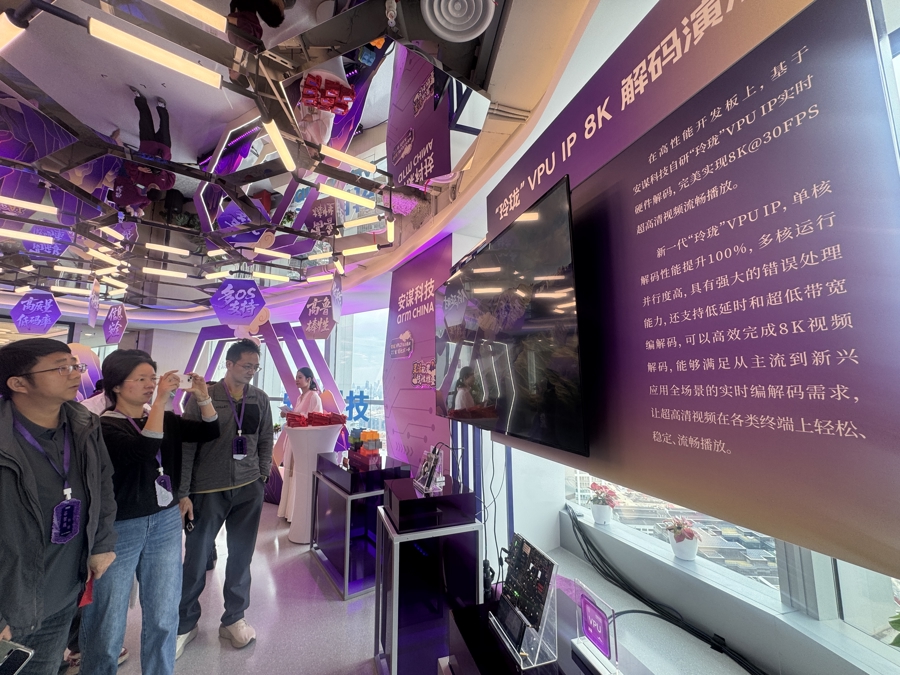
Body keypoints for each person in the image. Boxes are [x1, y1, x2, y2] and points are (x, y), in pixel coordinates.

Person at [79, 351, 220, 675]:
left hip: (165, 522)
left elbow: (210, 431)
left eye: (152, 378)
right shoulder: (102, 426)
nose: (149, 384)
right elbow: (143, 450)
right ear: (116, 386)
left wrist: (203, 397)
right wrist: (159, 402)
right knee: (107, 622)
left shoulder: (164, 419)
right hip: (119, 528)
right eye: (140, 378)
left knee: (163, 614)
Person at [0, 339, 117, 675]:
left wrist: (102, 543)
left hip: (62, 594)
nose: (75, 373)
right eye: (60, 367)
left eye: (75, 365)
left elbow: (102, 484)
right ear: (18, 383)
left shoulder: (84, 425)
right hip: (9, 601)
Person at [176, 339, 274, 658]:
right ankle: (185, 623)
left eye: (255, 367)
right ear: (229, 364)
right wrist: (184, 492)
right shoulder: (203, 397)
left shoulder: (259, 398)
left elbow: (265, 438)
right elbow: (187, 446)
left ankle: (234, 618)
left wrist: (261, 475)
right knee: (196, 559)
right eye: (246, 365)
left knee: (242, 556)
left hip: (248, 488)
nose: (251, 371)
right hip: (207, 489)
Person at [111, 87, 175, 217]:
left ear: (147, 189)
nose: (152, 185)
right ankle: (162, 108)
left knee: (145, 121)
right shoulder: (167, 184)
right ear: (159, 189)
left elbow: (129, 166)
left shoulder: (140, 180)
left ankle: (139, 99)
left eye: (150, 187)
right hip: (163, 150)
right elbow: (172, 171)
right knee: (164, 126)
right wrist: (163, 165)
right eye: (155, 187)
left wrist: (138, 168)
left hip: (147, 147)